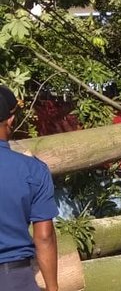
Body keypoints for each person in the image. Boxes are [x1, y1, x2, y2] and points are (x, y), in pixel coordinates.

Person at [0, 86, 58, 291]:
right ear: (10, 120)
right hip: (14, 279)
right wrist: (52, 288)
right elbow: (44, 237)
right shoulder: (33, 170)